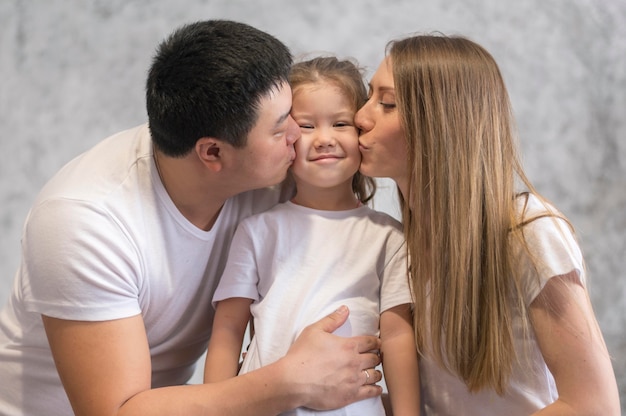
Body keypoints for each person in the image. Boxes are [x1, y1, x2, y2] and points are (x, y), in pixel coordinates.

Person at [0, 20, 384, 416]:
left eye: (293, 114)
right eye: (281, 126)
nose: (297, 135)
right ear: (213, 153)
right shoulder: (84, 222)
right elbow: (116, 411)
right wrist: (291, 382)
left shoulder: (272, 174)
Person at [355, 33, 621, 415]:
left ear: (441, 125)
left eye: (388, 103)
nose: (361, 118)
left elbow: (593, 407)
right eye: (369, 98)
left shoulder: (528, 232)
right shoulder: (403, 248)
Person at [204, 56, 420, 416]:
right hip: (267, 405)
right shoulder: (258, 231)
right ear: (286, 137)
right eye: (305, 126)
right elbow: (228, 331)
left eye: (340, 123)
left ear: (361, 132)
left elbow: (398, 337)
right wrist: (214, 407)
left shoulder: (388, 236)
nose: (324, 139)